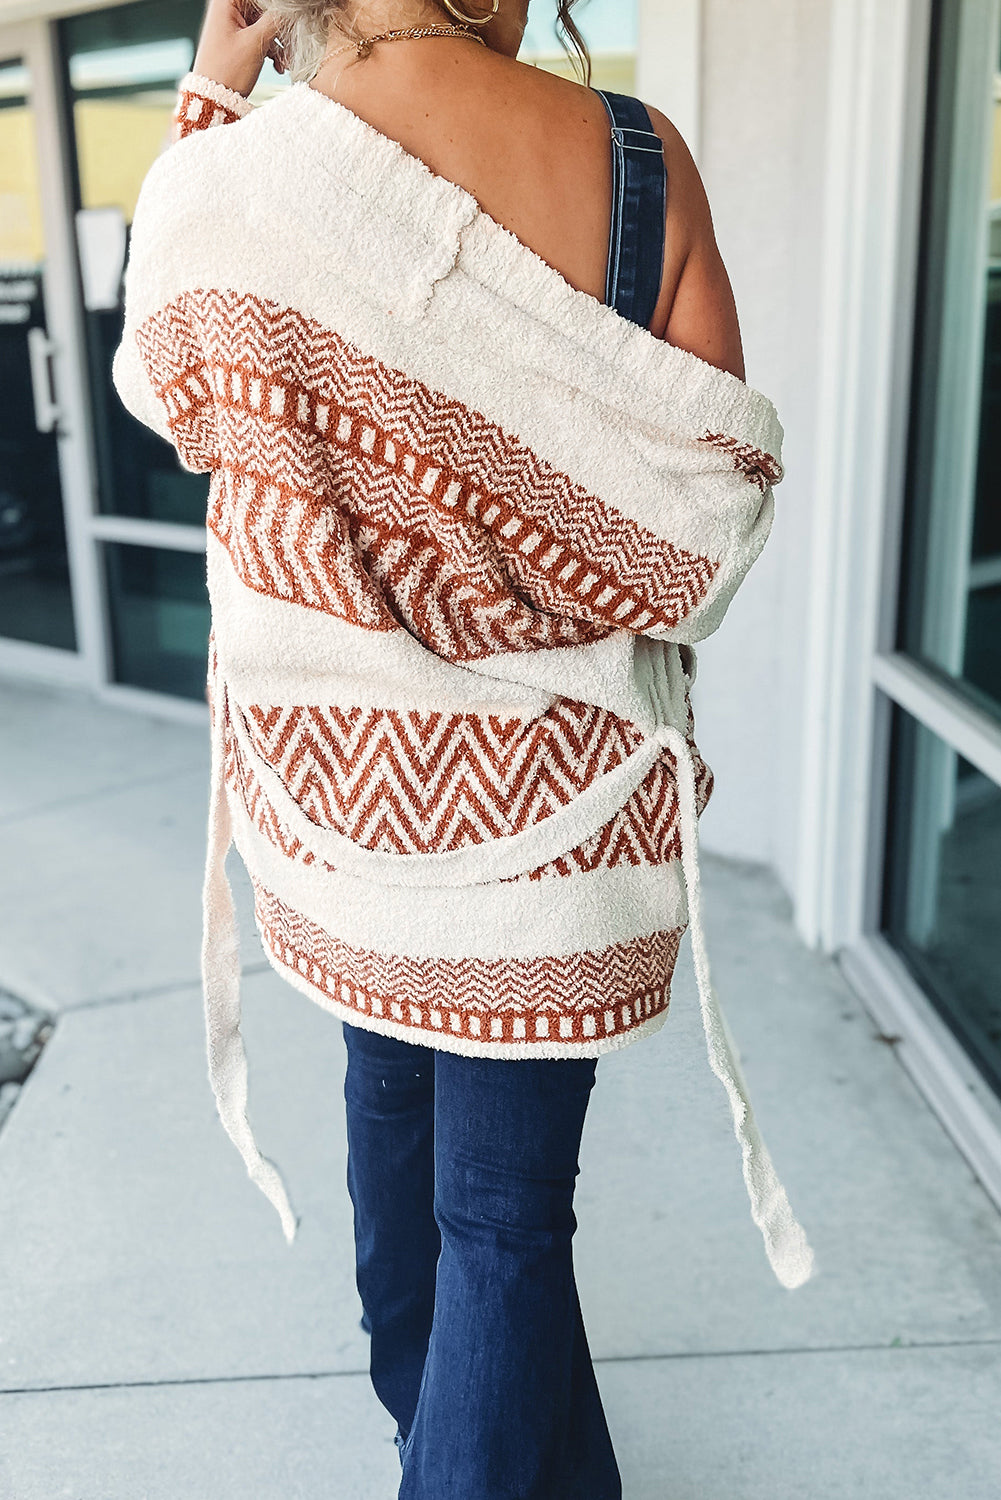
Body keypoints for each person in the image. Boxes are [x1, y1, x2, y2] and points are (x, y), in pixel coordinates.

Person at [112, 3, 815, 1496]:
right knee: (500, 1222)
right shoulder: (633, 159)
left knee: (390, 1130)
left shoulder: (231, 186)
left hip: (345, 816)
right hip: (554, 835)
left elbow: (167, 394)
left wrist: (210, 93)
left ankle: (435, 1440)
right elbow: (707, 518)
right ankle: (463, 1456)